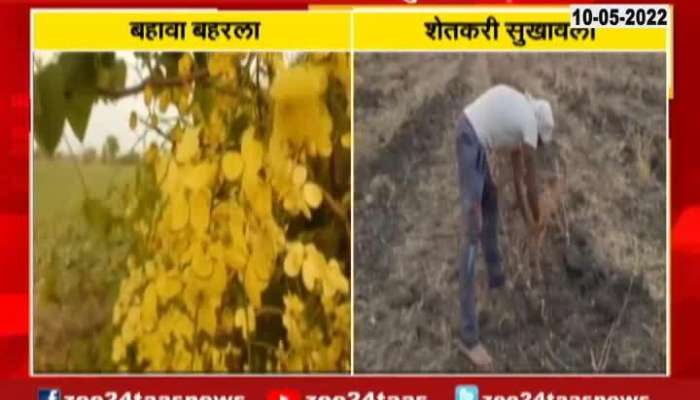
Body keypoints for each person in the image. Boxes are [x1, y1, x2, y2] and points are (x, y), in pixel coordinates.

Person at [454, 84, 554, 369]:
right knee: (472, 233)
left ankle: (497, 278)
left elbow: (518, 180)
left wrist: (527, 219)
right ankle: (468, 337)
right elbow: (532, 185)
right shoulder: (528, 123)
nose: (537, 146)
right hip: (469, 140)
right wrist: (536, 220)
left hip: (475, 141)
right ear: (537, 128)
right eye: (540, 142)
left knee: (492, 199)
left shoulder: (520, 115)